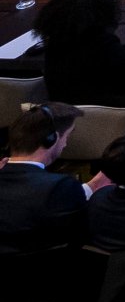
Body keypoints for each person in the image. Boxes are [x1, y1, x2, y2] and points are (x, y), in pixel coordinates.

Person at [0, 104, 91, 255]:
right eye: (66, 137)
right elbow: (81, 236)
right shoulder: (62, 187)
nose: (65, 144)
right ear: (51, 139)